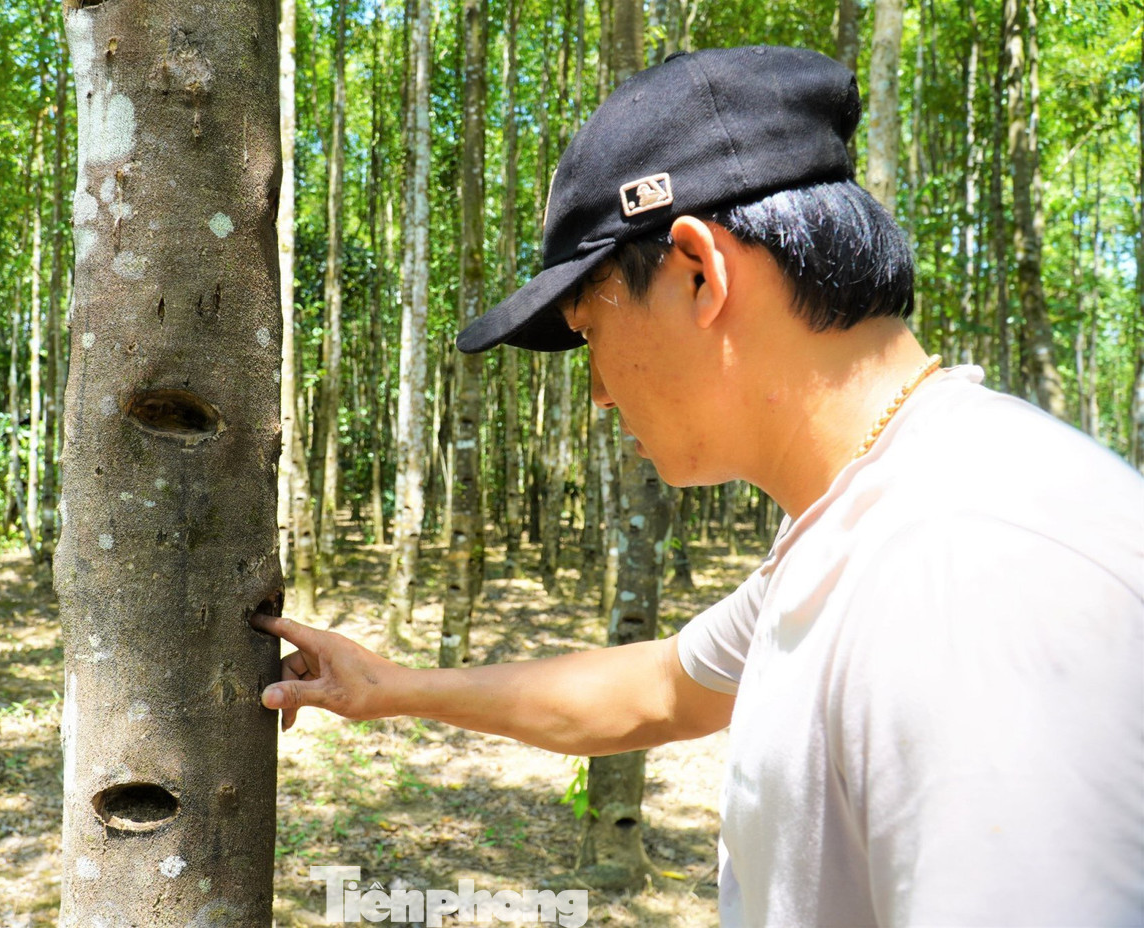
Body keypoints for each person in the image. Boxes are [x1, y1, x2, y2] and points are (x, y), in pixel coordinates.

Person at [252, 46, 1144, 925]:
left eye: (589, 329)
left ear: (696, 271)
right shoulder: (868, 520)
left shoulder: (969, 565)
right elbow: (660, 689)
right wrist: (392, 687)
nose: (598, 390)